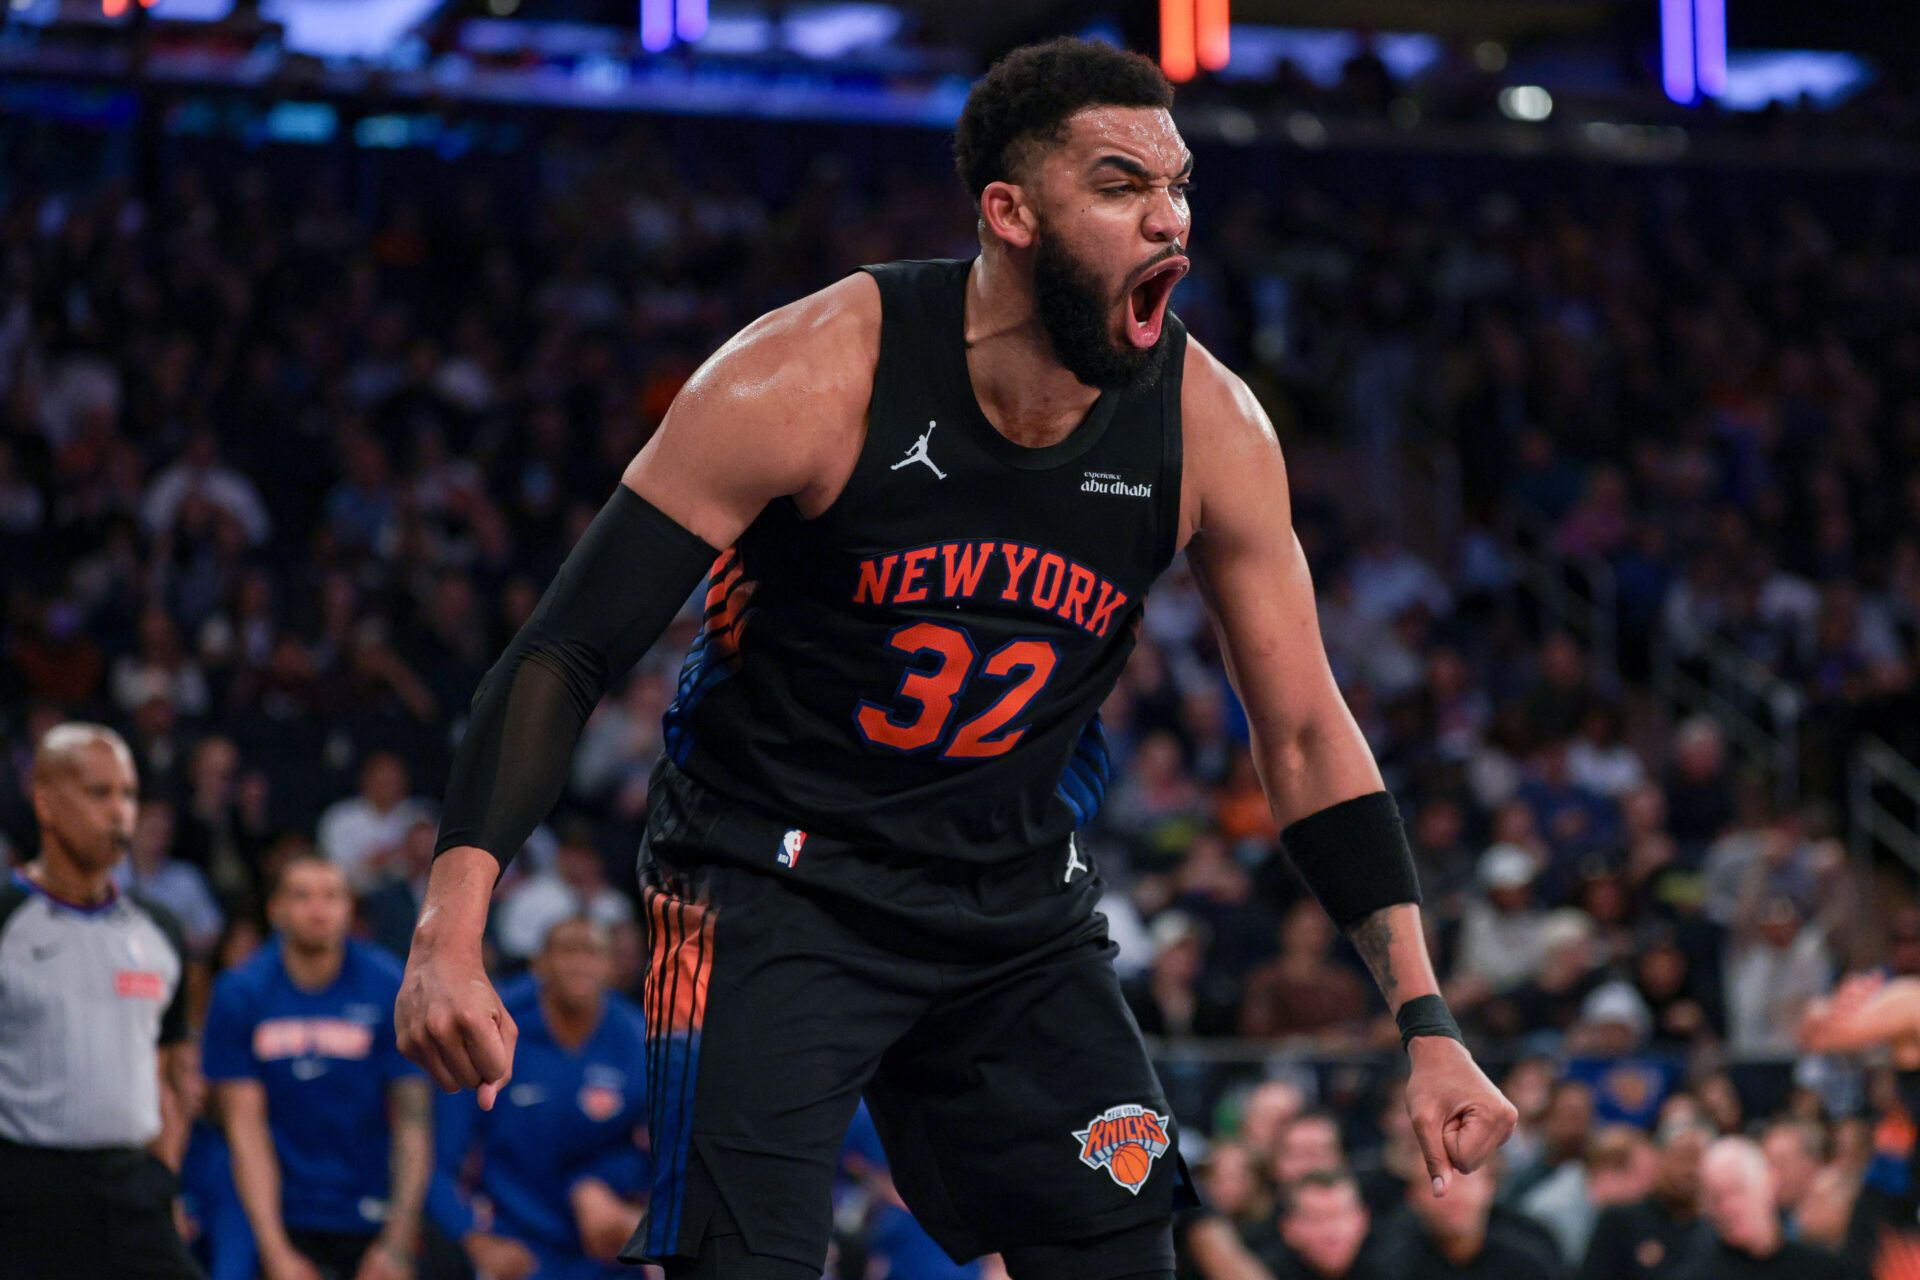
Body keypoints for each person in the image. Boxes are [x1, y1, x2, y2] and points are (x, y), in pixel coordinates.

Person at [397, 37, 1515, 1280]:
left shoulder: (1211, 422)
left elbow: (1307, 732)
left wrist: (1427, 1022)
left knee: (1121, 1248)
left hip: (1012, 903)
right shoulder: (814, 371)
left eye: (1180, 183)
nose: (1169, 219)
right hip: (771, 882)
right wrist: (452, 923)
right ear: (1010, 213)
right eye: (1119, 184)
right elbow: (567, 646)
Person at [0, 722, 202, 1280]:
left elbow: (171, 1062)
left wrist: (163, 1176)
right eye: (99, 793)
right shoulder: (6, 920)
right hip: (21, 1190)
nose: (120, 813)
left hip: (131, 1185)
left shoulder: (160, 929)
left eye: (129, 794)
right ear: (44, 800)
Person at [201, 855, 431, 1280]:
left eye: (332, 896)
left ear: (349, 909)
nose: (318, 908)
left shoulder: (388, 985)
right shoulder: (239, 992)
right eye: (302, 896)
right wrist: (275, 1252)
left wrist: (397, 1244)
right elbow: (244, 1128)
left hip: (368, 1203)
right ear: (275, 910)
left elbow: (413, 1122)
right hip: (268, 1207)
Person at [433, 917, 649, 1280]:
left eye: (592, 952)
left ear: (613, 967)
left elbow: (664, 1155)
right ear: (540, 963)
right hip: (515, 1246)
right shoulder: (493, 1030)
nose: (580, 963)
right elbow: (439, 1160)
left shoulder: (638, 1041)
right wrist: (476, 1241)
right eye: (567, 950)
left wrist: (622, 1205)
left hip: (606, 1250)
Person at [1677, 1138, 1846, 1279]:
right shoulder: (1698, 1274)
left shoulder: (1822, 1269)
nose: (1728, 1207)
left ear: (1770, 1183)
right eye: (1716, 1198)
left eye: (1737, 1190)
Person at [1376, 1161, 1559, 1279]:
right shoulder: (1392, 1267)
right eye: (1436, 1184)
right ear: (1412, 1197)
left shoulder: (1531, 1257)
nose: (1453, 1196)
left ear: (1489, 1185)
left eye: (1463, 1181)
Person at [1267, 1169, 1382, 1280]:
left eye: (1340, 1216)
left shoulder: (1390, 1266)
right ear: (1289, 1228)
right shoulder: (1265, 1271)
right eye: (1316, 1219)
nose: (1330, 1232)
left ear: (1362, 1219)